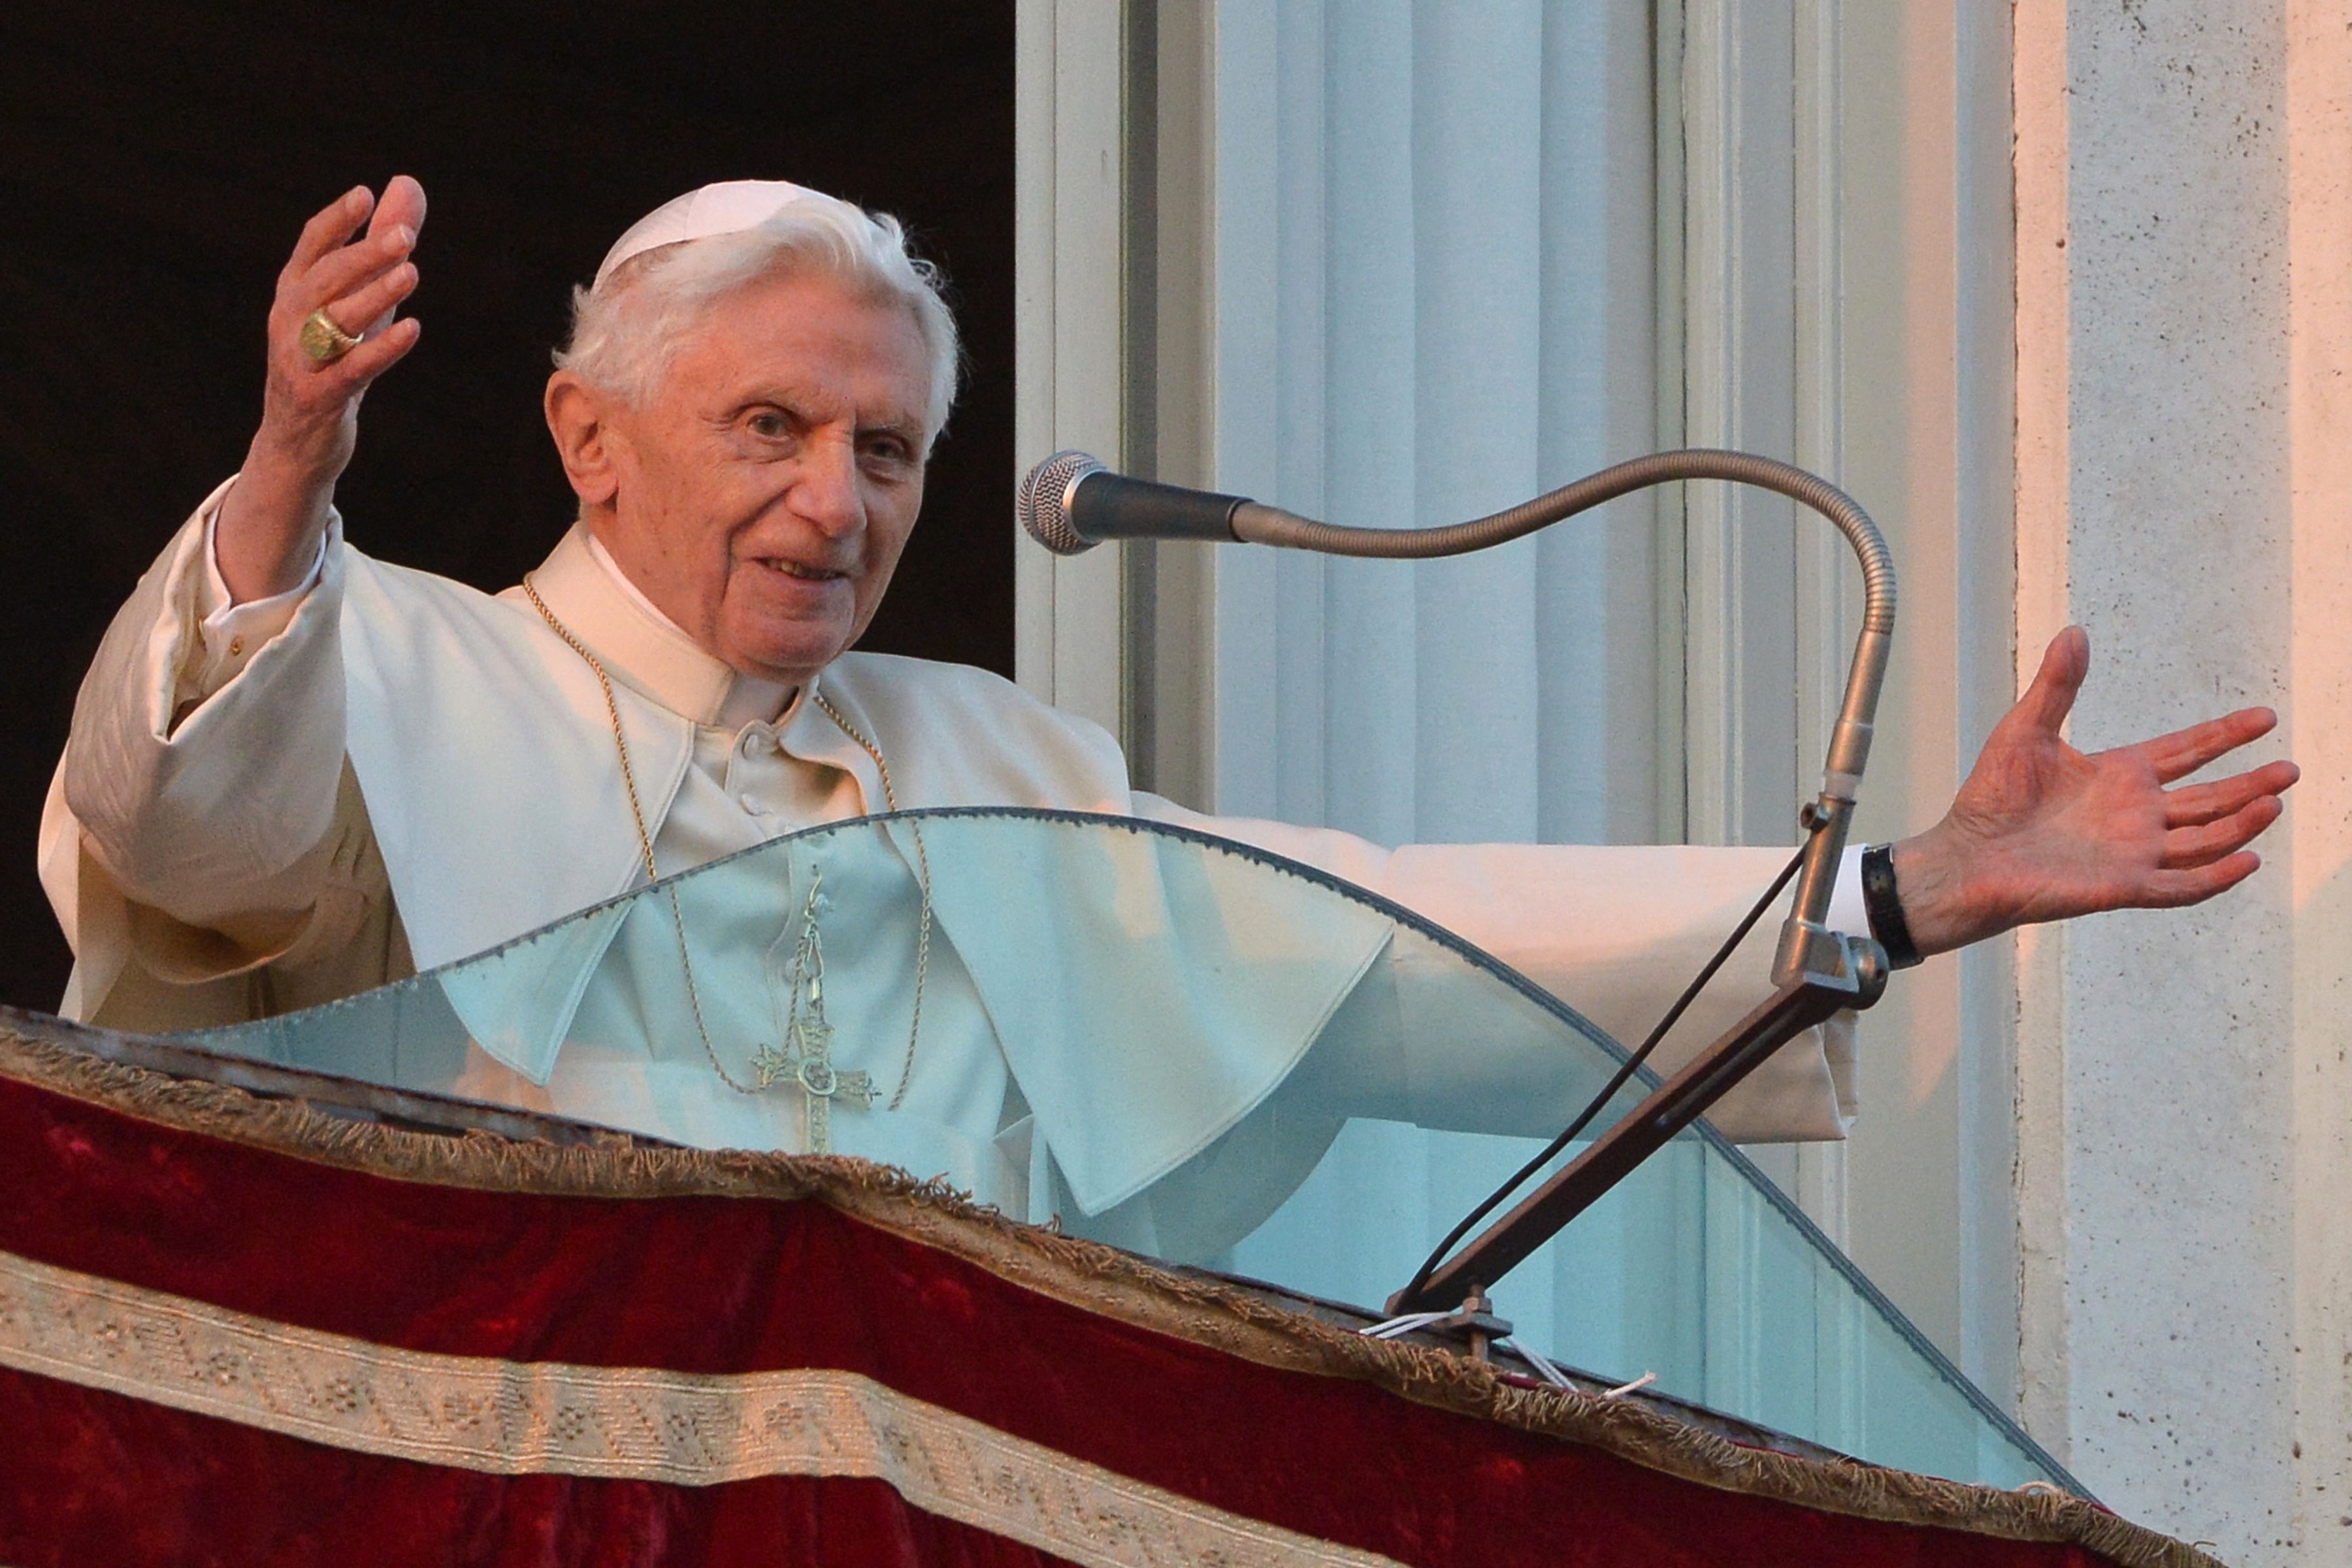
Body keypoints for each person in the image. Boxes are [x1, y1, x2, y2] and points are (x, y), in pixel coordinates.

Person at [37, 177, 2297, 1253]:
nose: (841, 505)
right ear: (587, 438)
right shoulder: (393, 658)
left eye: (895, 451)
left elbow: (1382, 951)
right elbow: (189, 838)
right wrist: (284, 482)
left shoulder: (988, 769)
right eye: (772, 429)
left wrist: (1895, 898)